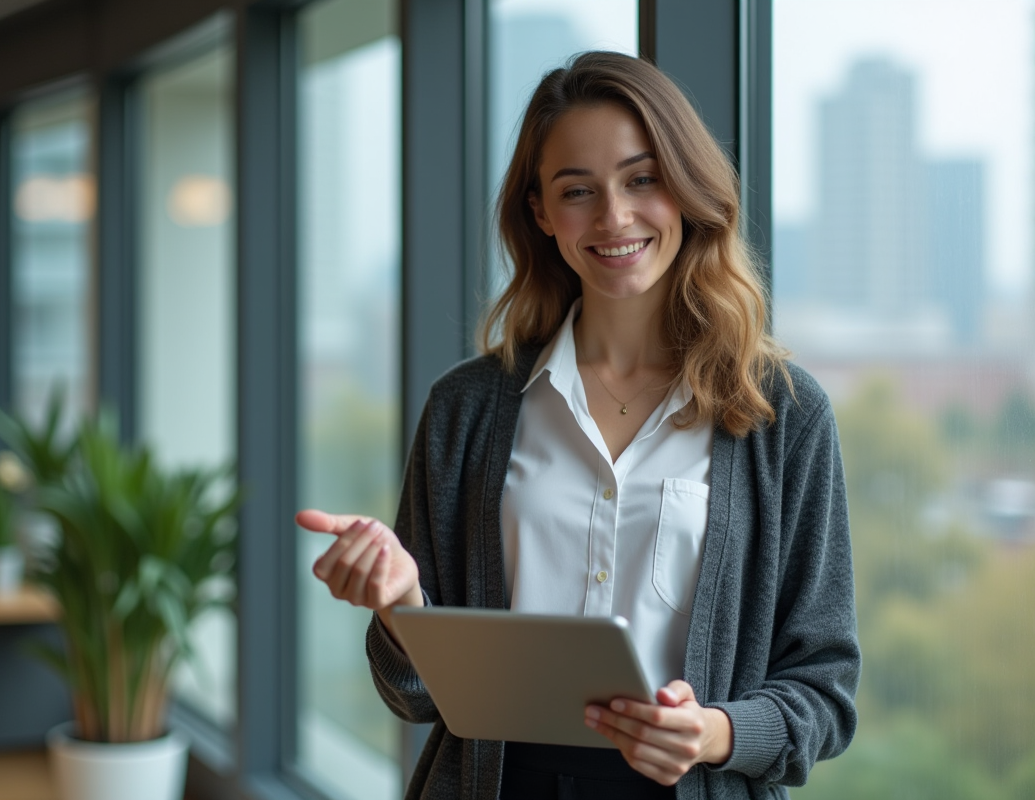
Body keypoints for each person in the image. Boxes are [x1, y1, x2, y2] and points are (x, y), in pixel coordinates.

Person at [296, 51, 859, 800]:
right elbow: (415, 698)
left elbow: (824, 691)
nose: (614, 217)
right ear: (540, 212)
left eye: (642, 179)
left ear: (687, 190)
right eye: (577, 191)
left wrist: (714, 732)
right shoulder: (466, 410)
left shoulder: (784, 414)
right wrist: (402, 607)